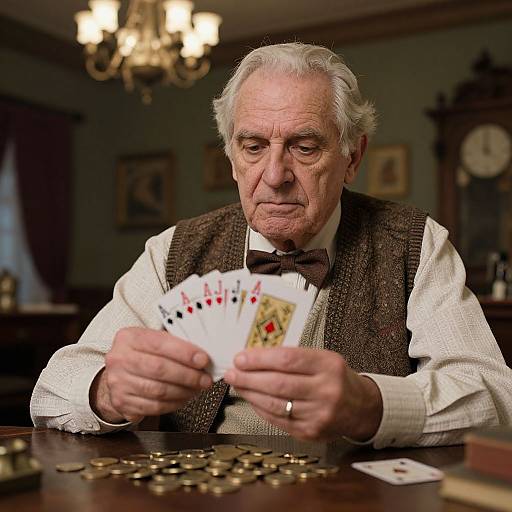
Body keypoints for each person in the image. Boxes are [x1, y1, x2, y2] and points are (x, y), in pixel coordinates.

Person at [31, 43, 512, 448]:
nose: (275, 176)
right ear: (232, 158)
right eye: (254, 146)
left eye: (304, 147)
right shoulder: (174, 250)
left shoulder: (415, 243)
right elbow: (49, 393)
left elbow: (495, 398)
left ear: (352, 157)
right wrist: (108, 391)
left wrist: (370, 404)